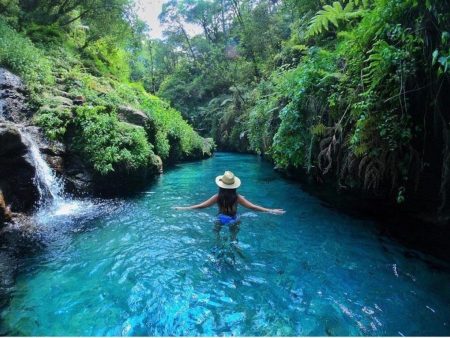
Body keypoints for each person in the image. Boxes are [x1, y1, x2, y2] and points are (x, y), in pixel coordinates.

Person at [174, 171, 285, 225]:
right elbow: (253, 207)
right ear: (234, 186)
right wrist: (271, 210)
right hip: (234, 219)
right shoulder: (237, 197)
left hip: (220, 219)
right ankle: (234, 245)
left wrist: (183, 208)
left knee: (216, 236)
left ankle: (217, 245)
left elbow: (201, 206)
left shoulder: (217, 197)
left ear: (221, 185)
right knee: (233, 239)